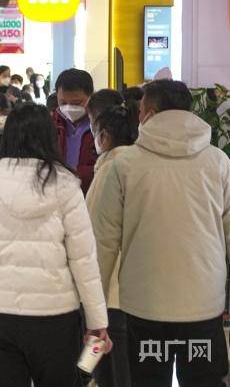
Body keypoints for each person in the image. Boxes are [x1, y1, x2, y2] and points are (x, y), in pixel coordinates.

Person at [90, 80, 230, 387]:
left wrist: (95, 308)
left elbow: (104, 243)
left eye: (141, 110)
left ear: (150, 113)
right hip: (204, 306)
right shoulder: (218, 163)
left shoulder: (126, 165)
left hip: (144, 308)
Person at [0, 103, 110, 387]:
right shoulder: (66, 186)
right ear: (49, 136)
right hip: (54, 318)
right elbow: (84, 260)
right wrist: (97, 320)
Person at [86, 103, 139, 387]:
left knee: (105, 365)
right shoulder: (142, 165)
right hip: (138, 292)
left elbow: (94, 238)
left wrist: (91, 297)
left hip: (109, 294)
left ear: (104, 136)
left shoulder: (109, 170)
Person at [52, 68, 98, 193]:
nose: (69, 107)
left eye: (76, 103)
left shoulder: (101, 125)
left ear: (90, 96)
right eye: (62, 102)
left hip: (90, 192)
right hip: (57, 193)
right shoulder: (50, 124)